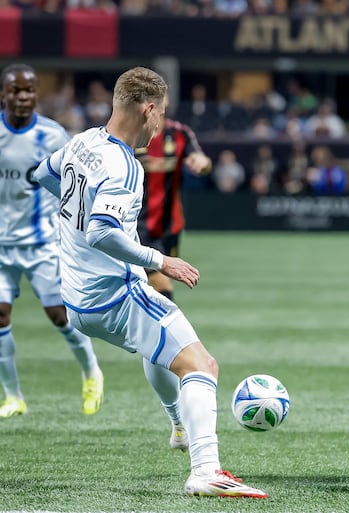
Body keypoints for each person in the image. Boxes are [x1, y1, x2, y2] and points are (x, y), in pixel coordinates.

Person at [33, 66, 267, 498]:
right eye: (161, 115)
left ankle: (179, 426)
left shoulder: (83, 140)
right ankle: (206, 470)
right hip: (114, 294)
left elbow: (44, 175)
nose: (159, 125)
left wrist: (72, 215)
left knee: (162, 348)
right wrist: (163, 260)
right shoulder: (123, 165)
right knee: (202, 366)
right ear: (148, 108)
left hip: (76, 296)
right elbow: (102, 232)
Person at [0, 63, 104, 418]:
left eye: (29, 90)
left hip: (42, 242)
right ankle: (13, 396)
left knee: (59, 315)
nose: (23, 97)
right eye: (15, 90)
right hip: (1, 246)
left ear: (36, 95)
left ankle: (91, 372)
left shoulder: (53, 135)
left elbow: (77, 177)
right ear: (3, 95)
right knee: (0, 316)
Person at [134, 97, 212, 453]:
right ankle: (181, 416)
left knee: (154, 337)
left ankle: (178, 421)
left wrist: (201, 164)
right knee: (162, 308)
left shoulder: (179, 133)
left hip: (168, 233)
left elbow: (201, 158)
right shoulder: (128, 133)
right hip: (131, 234)